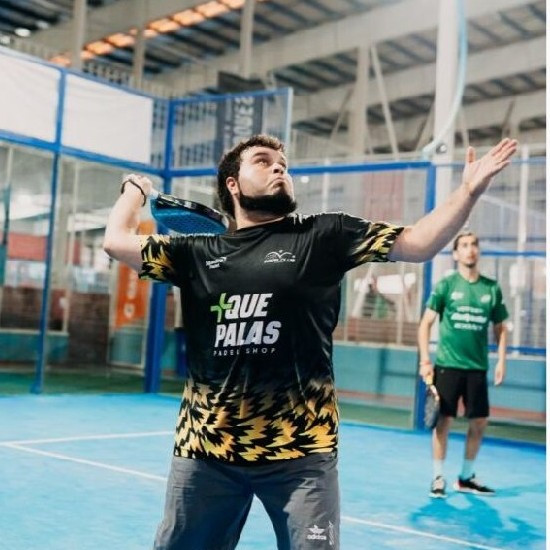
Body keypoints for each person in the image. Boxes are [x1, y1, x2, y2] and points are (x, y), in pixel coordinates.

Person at [103, 135, 517, 549]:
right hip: (206, 451)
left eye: (283, 163)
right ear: (232, 184)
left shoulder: (324, 235)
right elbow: (116, 241)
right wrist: (134, 189)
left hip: (302, 453)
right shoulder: (197, 252)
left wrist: (467, 191)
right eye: (263, 161)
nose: (279, 168)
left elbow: (419, 242)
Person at [418, 231, 509, 499]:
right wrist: (425, 360)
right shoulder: (446, 286)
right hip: (448, 366)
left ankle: (466, 478)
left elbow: (501, 328)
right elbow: (425, 324)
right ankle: (438, 477)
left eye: (474, 245)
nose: (470, 249)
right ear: (456, 254)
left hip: (477, 368)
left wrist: (501, 360)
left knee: (479, 422)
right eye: (465, 246)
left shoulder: (491, 288)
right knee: (443, 422)